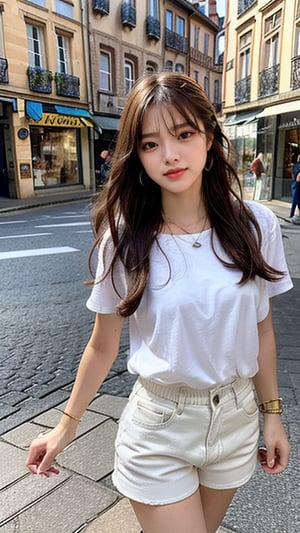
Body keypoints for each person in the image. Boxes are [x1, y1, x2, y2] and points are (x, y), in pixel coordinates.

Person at [26, 72, 293, 533]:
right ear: (137, 156)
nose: (169, 154)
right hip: (159, 427)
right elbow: (102, 345)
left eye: (184, 135)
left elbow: (261, 331)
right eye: (150, 144)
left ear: (209, 137)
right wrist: (65, 427)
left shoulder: (257, 226)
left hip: (236, 419)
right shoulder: (126, 240)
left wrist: (273, 416)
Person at [290, 154, 300, 221]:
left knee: (294, 200)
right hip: (298, 184)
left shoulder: (294, 166)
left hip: (294, 184)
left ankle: (292, 213)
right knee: (298, 200)